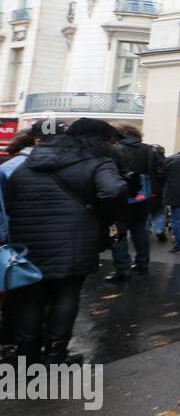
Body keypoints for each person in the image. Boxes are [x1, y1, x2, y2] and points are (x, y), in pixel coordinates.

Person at [4, 119, 127, 364]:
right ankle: (55, 354)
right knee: (66, 292)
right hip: (76, 237)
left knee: (31, 295)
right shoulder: (97, 162)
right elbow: (113, 191)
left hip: (27, 238)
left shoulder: (28, 161)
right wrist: (102, 213)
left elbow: (11, 195)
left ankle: (26, 355)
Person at [106, 123, 163, 281]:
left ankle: (122, 269)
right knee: (140, 229)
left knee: (119, 233)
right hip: (145, 197)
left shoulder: (115, 150)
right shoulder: (149, 149)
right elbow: (161, 170)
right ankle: (142, 263)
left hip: (121, 197)